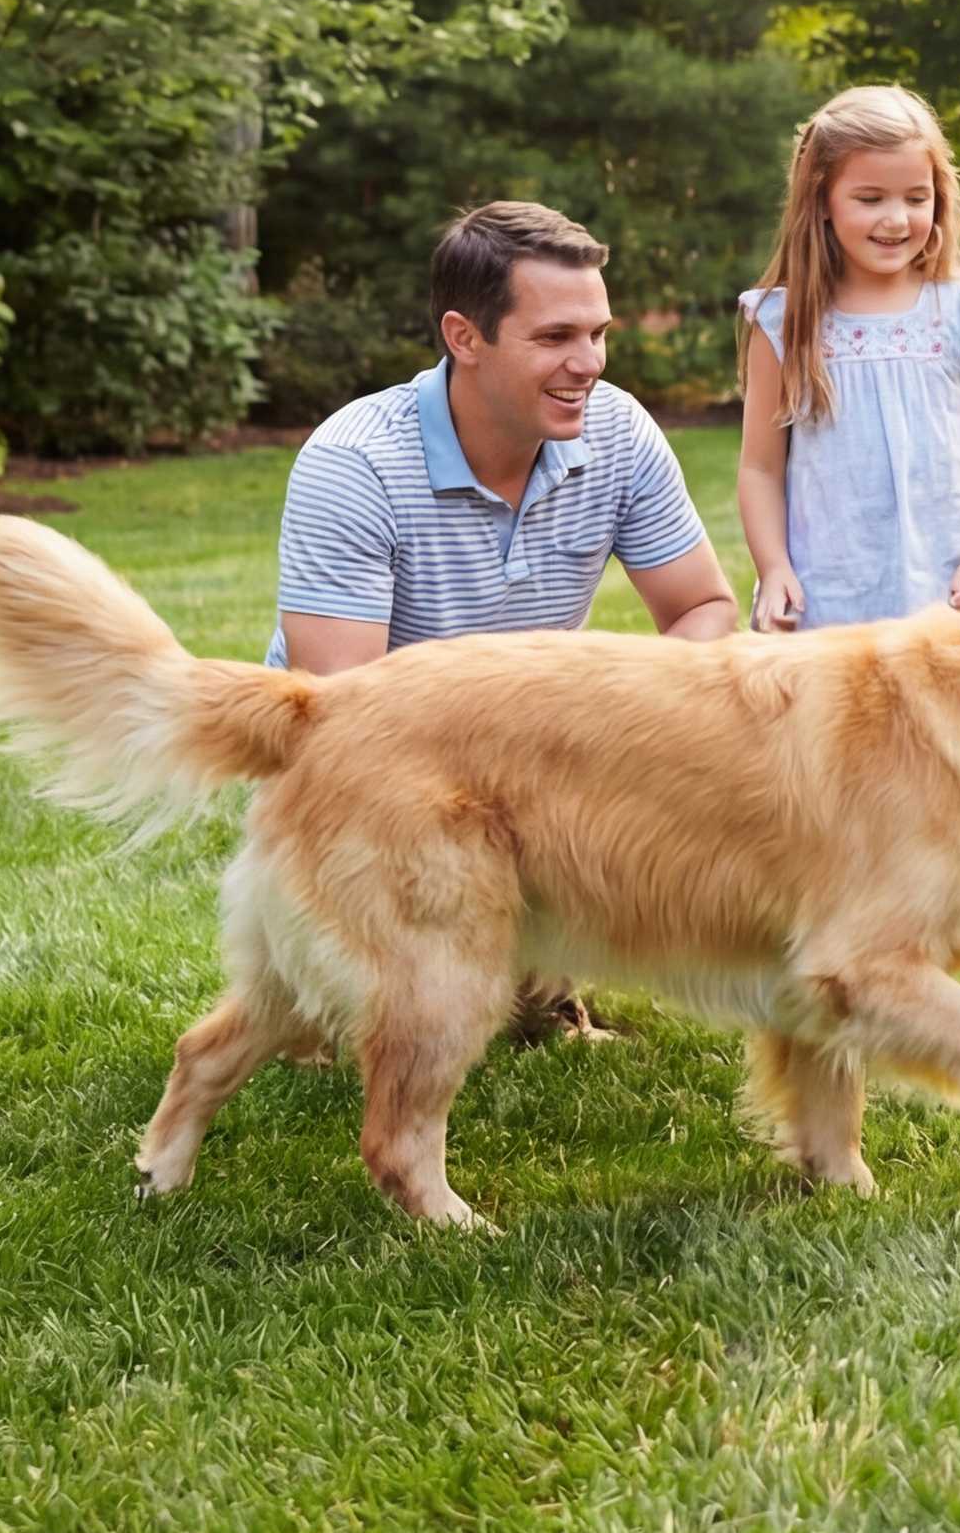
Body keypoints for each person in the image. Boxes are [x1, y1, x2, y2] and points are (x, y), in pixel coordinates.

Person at [273, 199, 738, 1037]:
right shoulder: (355, 463)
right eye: (556, 338)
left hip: (526, 762)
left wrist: (621, 724)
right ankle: (337, 978)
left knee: (509, 1012)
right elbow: (335, 712)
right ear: (465, 337)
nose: (589, 363)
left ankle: (541, 988)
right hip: (373, 776)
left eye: (598, 334)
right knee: (382, 1020)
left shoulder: (620, 434)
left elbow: (702, 608)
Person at [733, 86, 960, 1036]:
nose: (898, 219)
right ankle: (829, 972)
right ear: (820, 201)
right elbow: (761, 469)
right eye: (870, 199)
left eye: (917, 197)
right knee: (836, 800)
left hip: (951, 599)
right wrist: (773, 569)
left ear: (941, 199)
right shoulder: (779, 319)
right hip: (834, 605)